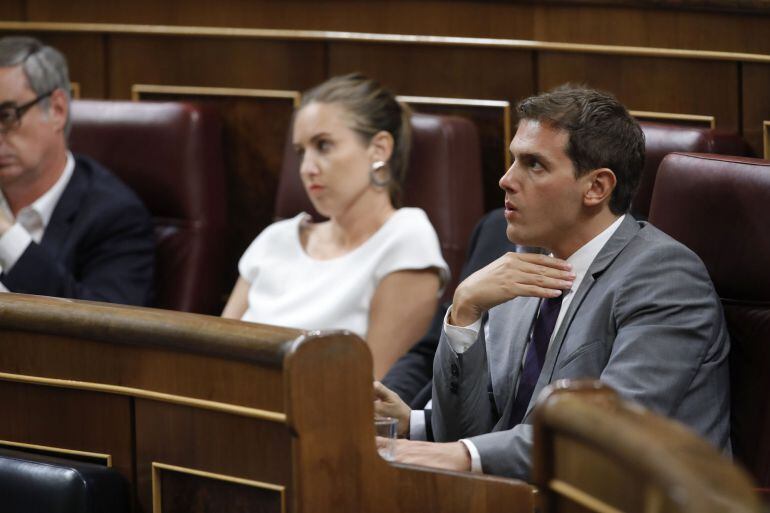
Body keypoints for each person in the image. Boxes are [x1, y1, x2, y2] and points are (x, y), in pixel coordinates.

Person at [375, 85, 730, 480]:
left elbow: (605, 439)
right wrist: (464, 314)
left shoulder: (665, 277)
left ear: (596, 187)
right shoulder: (523, 265)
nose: (506, 180)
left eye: (534, 165)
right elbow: (475, 432)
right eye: (513, 161)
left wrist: (446, 455)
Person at [222, 73, 449, 380]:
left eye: (324, 146)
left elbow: (376, 392)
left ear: (379, 149)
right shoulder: (275, 238)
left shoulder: (405, 238)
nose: (306, 169)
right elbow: (215, 352)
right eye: (301, 151)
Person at [0, 36, 154, 305]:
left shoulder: (115, 217)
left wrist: (7, 236)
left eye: (7, 116)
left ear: (58, 109)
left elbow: (105, 329)